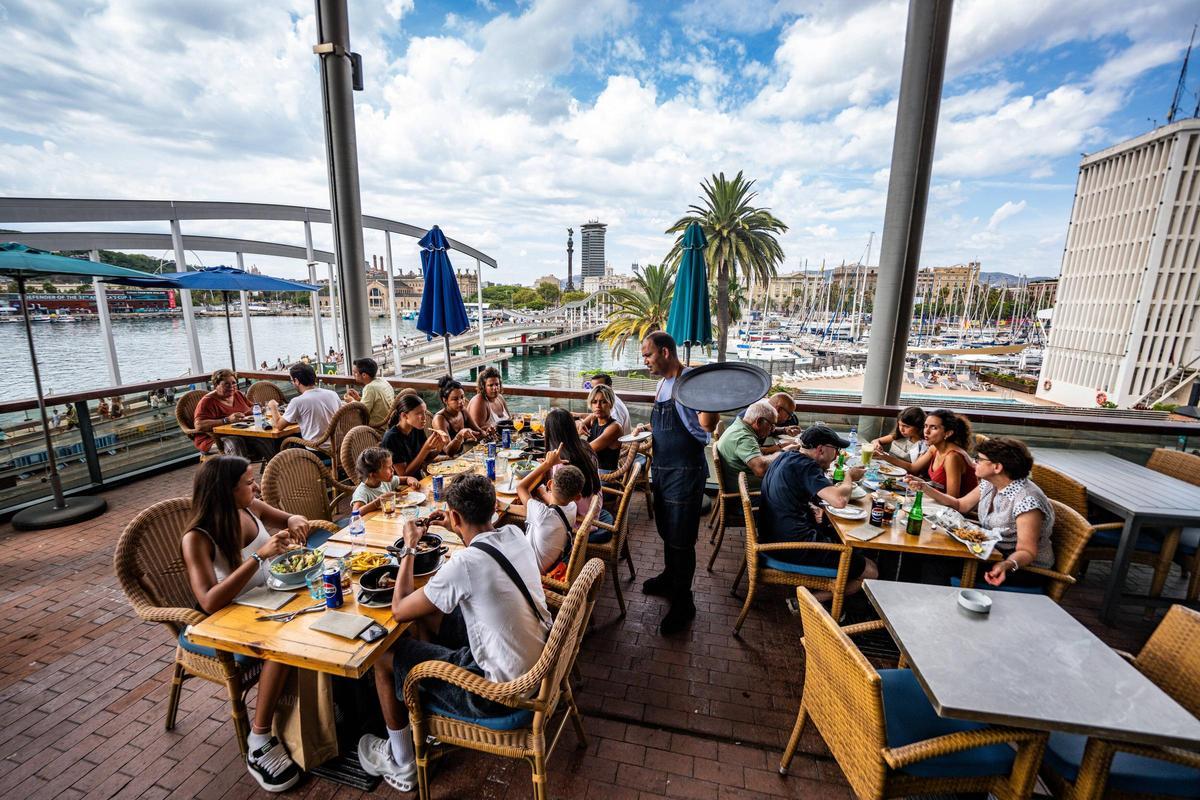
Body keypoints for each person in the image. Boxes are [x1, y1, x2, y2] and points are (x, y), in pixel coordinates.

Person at [357, 475, 551, 792]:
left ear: (456, 515)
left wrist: (408, 548)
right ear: (491, 509)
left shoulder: (464, 564)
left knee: (383, 654)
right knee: (431, 612)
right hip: (534, 667)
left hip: (497, 696)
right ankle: (426, 706)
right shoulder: (514, 533)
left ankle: (401, 760)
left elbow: (399, 610)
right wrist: (456, 526)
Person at [180, 456, 313, 792]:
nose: (255, 488)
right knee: (284, 642)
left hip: (270, 598)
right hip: (229, 619)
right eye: (249, 482)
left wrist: (296, 519)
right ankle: (260, 738)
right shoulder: (197, 538)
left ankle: (323, 704)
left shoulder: (249, 506)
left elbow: (287, 517)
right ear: (227, 490)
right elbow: (209, 601)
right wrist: (259, 556)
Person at [637, 331, 719, 635]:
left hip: (685, 470)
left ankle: (684, 602)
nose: (644, 361)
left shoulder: (692, 381)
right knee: (667, 531)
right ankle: (670, 578)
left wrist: (712, 398)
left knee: (682, 539)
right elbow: (668, 421)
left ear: (666, 352)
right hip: (662, 469)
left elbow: (707, 426)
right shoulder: (662, 384)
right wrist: (648, 428)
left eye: (648, 355)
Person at [906, 436, 1055, 589]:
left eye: (979, 459)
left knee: (933, 563)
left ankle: (935, 605)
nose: (974, 461)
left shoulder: (1027, 500)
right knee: (923, 552)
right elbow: (960, 504)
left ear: (997, 467)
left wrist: (1005, 565)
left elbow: (1027, 551)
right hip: (987, 551)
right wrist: (924, 487)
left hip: (1020, 570)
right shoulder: (991, 482)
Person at [758, 425, 878, 602]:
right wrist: (849, 477)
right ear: (821, 449)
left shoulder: (786, 456)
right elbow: (839, 501)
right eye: (835, 450)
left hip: (771, 537)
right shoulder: (807, 466)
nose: (837, 455)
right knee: (871, 571)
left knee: (842, 539)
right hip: (790, 548)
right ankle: (807, 604)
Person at [510, 445, 585, 575]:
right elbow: (544, 506)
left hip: (531, 572)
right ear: (577, 497)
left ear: (550, 484)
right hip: (551, 564)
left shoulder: (542, 514)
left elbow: (521, 487)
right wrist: (504, 506)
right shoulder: (572, 506)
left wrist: (547, 464)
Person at [877, 408, 977, 497]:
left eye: (934, 427)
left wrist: (924, 487)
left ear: (948, 433)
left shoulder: (952, 457)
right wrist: (921, 482)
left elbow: (952, 498)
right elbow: (913, 468)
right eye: (925, 426)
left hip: (953, 511)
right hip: (938, 501)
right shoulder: (934, 448)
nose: (926, 431)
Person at [542, 407, 611, 526]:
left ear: (550, 433)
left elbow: (558, 504)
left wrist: (541, 492)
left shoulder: (562, 463)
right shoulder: (585, 448)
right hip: (593, 512)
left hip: (580, 522)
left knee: (534, 503)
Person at [192, 369, 271, 459]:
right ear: (216, 385)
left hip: (241, 432)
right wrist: (227, 420)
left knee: (266, 437)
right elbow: (199, 425)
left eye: (233, 383)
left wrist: (257, 409)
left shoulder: (237, 394)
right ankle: (240, 471)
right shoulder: (207, 401)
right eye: (226, 384)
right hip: (213, 440)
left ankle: (276, 468)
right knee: (236, 442)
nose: (231, 386)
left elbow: (251, 408)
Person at [380, 394, 457, 477]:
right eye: (418, 413)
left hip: (420, 479)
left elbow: (425, 458)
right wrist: (425, 448)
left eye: (424, 412)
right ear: (404, 416)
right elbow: (404, 474)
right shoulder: (391, 438)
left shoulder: (416, 428)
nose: (424, 417)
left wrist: (439, 447)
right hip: (401, 486)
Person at [716, 399, 780, 491]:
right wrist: (782, 453)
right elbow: (761, 470)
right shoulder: (744, 437)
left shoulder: (738, 426)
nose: (773, 430)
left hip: (739, 482)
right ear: (759, 422)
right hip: (747, 492)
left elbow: (752, 451)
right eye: (772, 425)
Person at [266, 362, 340, 442]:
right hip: (338, 446)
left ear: (296, 381)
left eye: (292, 381)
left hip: (315, 450)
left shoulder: (297, 402)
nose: (292, 384)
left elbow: (279, 426)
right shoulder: (333, 394)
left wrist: (273, 406)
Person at [351, 447, 421, 514]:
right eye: (388, 468)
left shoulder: (384, 481)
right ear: (373, 474)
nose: (392, 470)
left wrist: (413, 481)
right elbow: (356, 513)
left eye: (391, 466)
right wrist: (380, 500)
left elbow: (407, 478)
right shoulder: (362, 492)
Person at [577, 384, 623, 472]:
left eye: (603, 402)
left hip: (604, 474)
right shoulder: (594, 418)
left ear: (611, 404)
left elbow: (587, 449)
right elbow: (574, 429)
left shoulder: (614, 428)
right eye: (594, 402)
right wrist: (581, 423)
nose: (598, 406)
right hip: (592, 468)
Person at [432, 376, 487, 441]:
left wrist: (487, 432)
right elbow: (447, 450)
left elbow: (478, 431)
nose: (461, 402)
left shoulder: (463, 411)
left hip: (464, 451)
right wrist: (459, 436)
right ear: (445, 400)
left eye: (462, 397)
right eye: (455, 399)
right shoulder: (440, 419)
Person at [344, 357, 395, 428]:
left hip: (376, 429)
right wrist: (358, 399)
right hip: (388, 425)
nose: (353, 375)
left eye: (355, 373)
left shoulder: (370, 388)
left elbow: (362, 413)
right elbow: (376, 404)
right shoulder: (383, 381)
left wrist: (352, 401)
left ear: (364, 375)